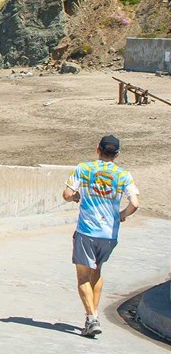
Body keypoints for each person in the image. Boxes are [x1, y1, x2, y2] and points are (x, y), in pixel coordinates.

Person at [62, 134, 139, 338]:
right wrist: (121, 215)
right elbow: (135, 203)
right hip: (109, 234)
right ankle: (92, 316)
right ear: (117, 154)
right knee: (97, 271)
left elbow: (67, 194)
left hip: (87, 230)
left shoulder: (84, 168)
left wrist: (76, 197)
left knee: (82, 276)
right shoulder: (123, 175)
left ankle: (91, 318)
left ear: (98, 149)